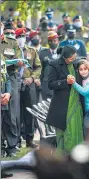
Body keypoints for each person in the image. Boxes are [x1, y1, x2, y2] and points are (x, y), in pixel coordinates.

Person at [46, 45, 89, 154]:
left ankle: (77, 155)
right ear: (64, 58)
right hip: (62, 106)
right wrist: (65, 82)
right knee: (63, 134)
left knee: (78, 130)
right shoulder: (54, 65)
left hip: (77, 103)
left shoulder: (78, 63)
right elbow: (50, 84)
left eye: (74, 57)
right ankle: (62, 159)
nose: (73, 60)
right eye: (71, 58)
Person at [15, 28, 42, 148]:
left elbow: (38, 67)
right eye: (19, 36)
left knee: (29, 112)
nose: (22, 37)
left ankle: (29, 139)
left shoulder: (31, 51)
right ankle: (17, 140)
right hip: (15, 83)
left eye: (23, 35)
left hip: (28, 83)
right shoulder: (11, 51)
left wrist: (32, 78)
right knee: (16, 113)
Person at [1, 22, 22, 156]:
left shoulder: (12, 42)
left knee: (11, 115)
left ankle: (12, 146)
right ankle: (1, 146)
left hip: (10, 77)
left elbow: (19, 60)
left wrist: (17, 62)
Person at [39, 31, 60, 135]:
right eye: (50, 41)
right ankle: (48, 132)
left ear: (58, 41)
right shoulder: (42, 53)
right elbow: (40, 69)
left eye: (54, 40)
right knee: (47, 110)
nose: (53, 42)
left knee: (58, 110)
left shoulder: (63, 52)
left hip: (60, 85)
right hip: (47, 86)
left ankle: (59, 132)